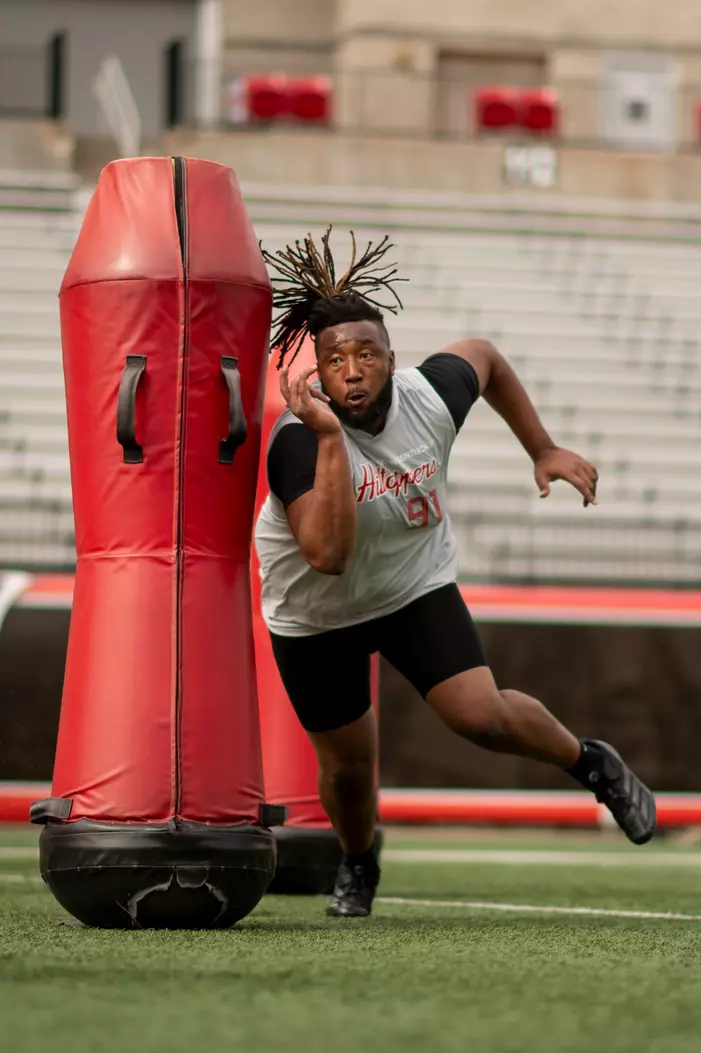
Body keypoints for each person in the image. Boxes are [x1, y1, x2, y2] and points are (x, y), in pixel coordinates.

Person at [255, 229, 656, 918]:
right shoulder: (298, 441)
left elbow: (486, 356)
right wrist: (327, 439)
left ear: (391, 359)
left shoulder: (429, 395)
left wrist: (543, 446)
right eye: (334, 360)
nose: (351, 371)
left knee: (482, 717)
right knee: (349, 770)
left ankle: (591, 763)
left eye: (365, 355)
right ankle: (357, 861)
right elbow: (327, 555)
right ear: (316, 372)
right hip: (315, 615)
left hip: (412, 586)